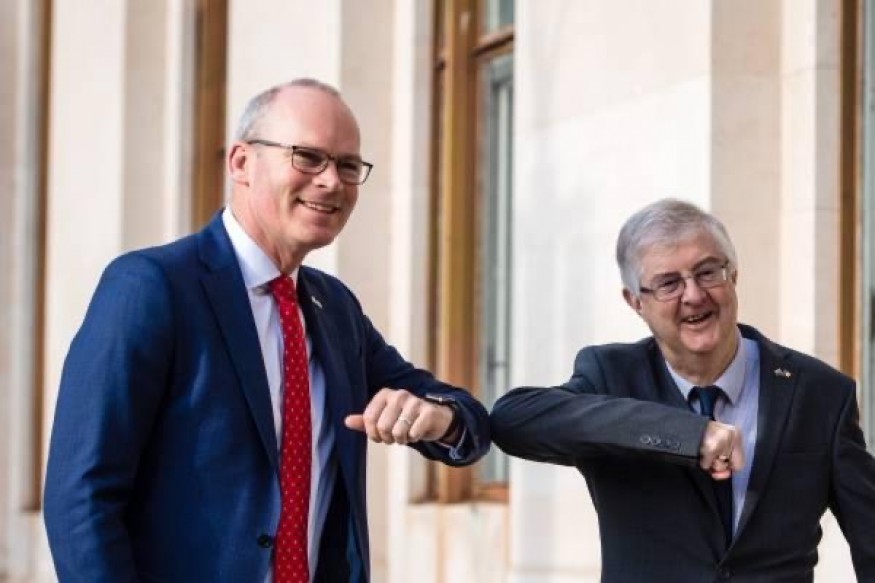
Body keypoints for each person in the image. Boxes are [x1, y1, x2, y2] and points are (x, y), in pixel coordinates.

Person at [44, 78, 490, 582]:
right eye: (308, 157)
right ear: (241, 162)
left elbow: (470, 424)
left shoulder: (334, 309)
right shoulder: (153, 287)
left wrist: (438, 418)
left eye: (348, 166)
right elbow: (80, 497)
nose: (331, 182)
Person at [491, 198, 875, 582]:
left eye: (707, 272)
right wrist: (689, 435)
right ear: (635, 302)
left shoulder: (819, 392)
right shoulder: (611, 376)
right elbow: (511, 420)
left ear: (733, 276)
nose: (693, 295)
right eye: (668, 283)